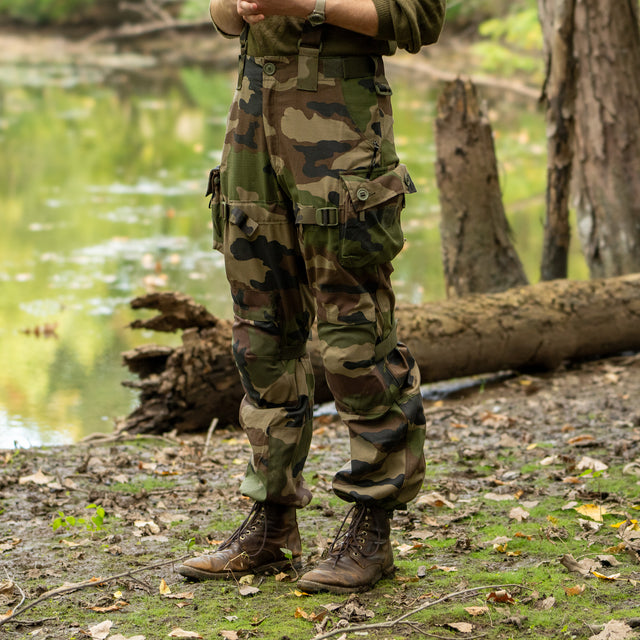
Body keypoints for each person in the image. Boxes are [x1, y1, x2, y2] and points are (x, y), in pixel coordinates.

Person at [178, 0, 445, 593]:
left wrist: (309, 5)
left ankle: (372, 529)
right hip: (251, 124)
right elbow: (223, 20)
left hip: (342, 131)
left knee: (356, 340)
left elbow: (421, 19)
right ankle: (272, 525)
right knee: (261, 335)